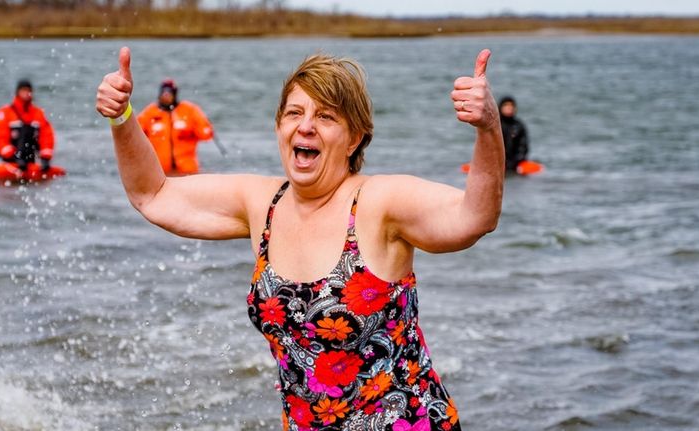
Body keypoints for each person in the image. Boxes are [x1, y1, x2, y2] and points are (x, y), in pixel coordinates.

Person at [96, 46, 504, 430]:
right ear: (279, 126)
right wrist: (122, 117)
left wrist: (488, 128)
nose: (305, 126)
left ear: (355, 137)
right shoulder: (262, 204)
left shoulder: (380, 202)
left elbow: (475, 217)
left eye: (326, 117)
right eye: (294, 112)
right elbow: (153, 195)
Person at [137, 79, 214, 175]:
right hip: (159, 172)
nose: (166, 96)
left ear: (175, 95)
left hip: (187, 171)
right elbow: (134, 137)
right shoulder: (150, 113)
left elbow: (206, 134)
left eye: (169, 93)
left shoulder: (189, 110)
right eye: (164, 93)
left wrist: (190, 130)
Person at [0, 79, 55, 171]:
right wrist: (14, 157)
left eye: (29, 91)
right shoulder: (5, 113)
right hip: (11, 159)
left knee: (30, 131)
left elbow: (46, 136)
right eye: (23, 90)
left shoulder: (38, 113)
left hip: (30, 158)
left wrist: (45, 158)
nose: (26, 93)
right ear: (17, 92)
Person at [498, 96, 529, 173]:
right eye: (506, 105)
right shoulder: (496, 125)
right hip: (497, 160)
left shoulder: (519, 126)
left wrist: (516, 161)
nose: (509, 108)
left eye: (511, 105)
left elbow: (523, 147)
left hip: (515, 162)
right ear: (500, 107)